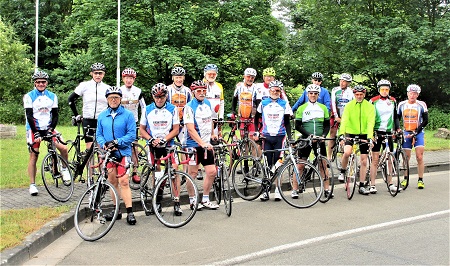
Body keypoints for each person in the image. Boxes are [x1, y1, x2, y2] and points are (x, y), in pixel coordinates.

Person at [24, 71, 71, 196]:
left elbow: (55, 115)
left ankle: (64, 169)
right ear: (35, 83)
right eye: (38, 82)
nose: (41, 84)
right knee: (34, 155)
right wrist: (36, 133)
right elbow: (29, 116)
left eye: (43, 82)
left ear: (47, 83)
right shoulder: (29, 96)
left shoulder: (52, 96)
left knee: (63, 147)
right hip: (34, 128)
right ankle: (32, 184)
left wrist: (51, 129)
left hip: (48, 127)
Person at [96, 86, 137, 225]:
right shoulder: (102, 116)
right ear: (107, 100)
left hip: (123, 152)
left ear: (120, 99)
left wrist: (117, 142)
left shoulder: (128, 115)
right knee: (112, 182)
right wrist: (104, 144)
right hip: (109, 153)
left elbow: (132, 135)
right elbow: (99, 135)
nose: (113, 100)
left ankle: (130, 212)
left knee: (124, 181)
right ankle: (116, 210)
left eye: (116, 98)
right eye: (111, 98)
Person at [139, 83, 181, 215]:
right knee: (156, 173)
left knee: (174, 170)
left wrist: (165, 139)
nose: (159, 100)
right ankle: (156, 201)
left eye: (162, 97)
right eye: (156, 97)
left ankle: (177, 202)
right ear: (152, 97)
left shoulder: (173, 108)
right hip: (153, 145)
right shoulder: (147, 109)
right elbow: (142, 129)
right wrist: (151, 139)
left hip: (168, 144)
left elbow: (176, 129)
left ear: (166, 96)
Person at [253, 80, 292, 201]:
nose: (275, 92)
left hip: (280, 136)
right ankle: (265, 190)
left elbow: (287, 122)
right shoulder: (264, 103)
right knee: (268, 164)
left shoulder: (284, 103)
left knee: (278, 164)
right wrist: (256, 131)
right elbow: (256, 118)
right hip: (266, 137)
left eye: (278, 91)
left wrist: (290, 137)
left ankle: (277, 190)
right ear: (269, 91)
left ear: (280, 92)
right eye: (273, 90)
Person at [184, 80, 219, 209]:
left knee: (211, 172)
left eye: (204, 90)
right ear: (193, 92)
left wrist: (212, 134)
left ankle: (205, 199)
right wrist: (201, 143)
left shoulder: (208, 103)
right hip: (192, 145)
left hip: (206, 144)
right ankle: (192, 200)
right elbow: (190, 129)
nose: (202, 93)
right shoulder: (189, 107)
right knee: (192, 173)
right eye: (199, 91)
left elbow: (210, 121)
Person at [294, 84, 332, 198]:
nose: (313, 95)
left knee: (323, 164)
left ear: (318, 95)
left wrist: (324, 135)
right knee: (300, 165)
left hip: (319, 139)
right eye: (311, 93)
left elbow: (326, 125)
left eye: (315, 94)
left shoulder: (323, 108)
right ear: (307, 94)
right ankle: (294, 189)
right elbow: (297, 125)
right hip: (306, 139)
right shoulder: (302, 108)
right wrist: (309, 135)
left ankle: (326, 189)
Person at [339, 85, 375, 195]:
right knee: (347, 152)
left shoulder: (369, 107)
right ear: (354, 95)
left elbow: (370, 123)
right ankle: (343, 171)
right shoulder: (349, 106)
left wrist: (370, 137)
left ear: (364, 94)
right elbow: (344, 120)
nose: (359, 96)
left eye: (361, 94)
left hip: (364, 134)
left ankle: (362, 185)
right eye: (357, 95)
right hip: (351, 132)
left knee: (364, 160)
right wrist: (341, 134)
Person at [369, 79, 401, 194]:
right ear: (379, 90)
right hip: (377, 132)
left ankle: (390, 183)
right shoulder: (373, 101)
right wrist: (371, 133)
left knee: (390, 158)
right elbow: (370, 117)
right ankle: (372, 184)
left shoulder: (393, 101)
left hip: (388, 132)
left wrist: (397, 128)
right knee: (375, 159)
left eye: (386, 89)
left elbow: (395, 116)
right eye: (382, 89)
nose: (384, 91)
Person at [68, 63, 109, 150]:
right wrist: (76, 115)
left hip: (102, 120)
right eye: (95, 73)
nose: (98, 75)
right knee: (89, 148)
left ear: (104, 74)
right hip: (88, 120)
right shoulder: (84, 85)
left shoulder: (107, 88)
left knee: (101, 147)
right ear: (91, 73)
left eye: (100, 73)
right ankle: (89, 164)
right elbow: (71, 99)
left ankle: (101, 164)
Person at [397, 84, 428, 189]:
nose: (412, 95)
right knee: (406, 158)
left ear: (418, 94)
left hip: (418, 132)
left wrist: (416, 132)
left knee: (419, 157)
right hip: (406, 133)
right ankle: (405, 179)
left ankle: (420, 179)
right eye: (411, 93)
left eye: (415, 93)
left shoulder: (421, 104)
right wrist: (397, 129)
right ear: (407, 94)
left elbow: (425, 120)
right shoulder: (401, 105)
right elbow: (397, 118)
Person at [120, 68, 146, 183]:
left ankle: (135, 171)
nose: (128, 80)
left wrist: (142, 124)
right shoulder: (119, 90)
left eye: (131, 78)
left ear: (134, 79)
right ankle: (122, 169)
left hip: (133, 122)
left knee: (134, 147)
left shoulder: (138, 91)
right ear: (123, 79)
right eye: (126, 78)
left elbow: (144, 108)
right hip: (121, 122)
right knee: (121, 146)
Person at [329, 73, 354, 181]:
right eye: (341, 80)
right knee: (332, 133)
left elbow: (353, 106)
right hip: (336, 115)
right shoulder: (335, 90)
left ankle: (344, 156)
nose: (342, 83)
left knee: (345, 136)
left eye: (344, 81)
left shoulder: (351, 92)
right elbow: (333, 103)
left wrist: (347, 119)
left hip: (347, 117)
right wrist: (336, 116)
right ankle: (329, 156)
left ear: (348, 83)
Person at [254, 68, 291, 132]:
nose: (269, 78)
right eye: (267, 76)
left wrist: (290, 112)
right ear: (263, 77)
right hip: (260, 113)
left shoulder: (279, 88)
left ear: (274, 78)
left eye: (271, 76)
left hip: (274, 116)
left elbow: (286, 101)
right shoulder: (258, 86)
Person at [167, 65, 193, 146]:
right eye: (176, 77)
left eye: (180, 77)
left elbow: (190, 107)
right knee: (168, 145)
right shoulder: (167, 90)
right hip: (170, 122)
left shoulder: (187, 91)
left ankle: (184, 159)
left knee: (184, 145)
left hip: (182, 122)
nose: (178, 79)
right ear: (173, 78)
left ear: (183, 78)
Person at [231, 68, 258, 137]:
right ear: (244, 76)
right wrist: (233, 111)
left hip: (252, 116)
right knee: (243, 136)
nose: (250, 79)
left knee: (252, 136)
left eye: (252, 77)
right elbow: (234, 99)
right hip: (242, 116)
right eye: (248, 76)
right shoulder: (239, 87)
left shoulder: (256, 87)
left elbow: (258, 101)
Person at [202, 64, 224, 135]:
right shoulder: (201, 85)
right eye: (209, 74)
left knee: (216, 141)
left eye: (214, 74)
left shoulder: (219, 86)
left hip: (215, 118)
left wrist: (221, 116)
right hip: (203, 119)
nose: (211, 76)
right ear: (205, 74)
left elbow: (221, 102)